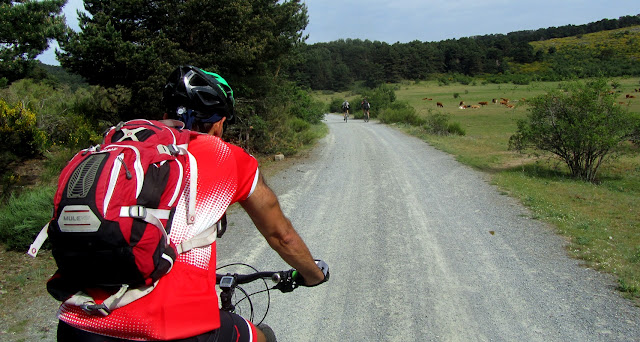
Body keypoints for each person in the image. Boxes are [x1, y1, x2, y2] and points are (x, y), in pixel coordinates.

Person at [55, 65, 329, 341]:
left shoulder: (124, 153)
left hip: (78, 324)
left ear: (165, 116)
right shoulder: (227, 157)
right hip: (173, 327)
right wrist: (313, 274)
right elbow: (281, 235)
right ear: (219, 122)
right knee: (263, 336)